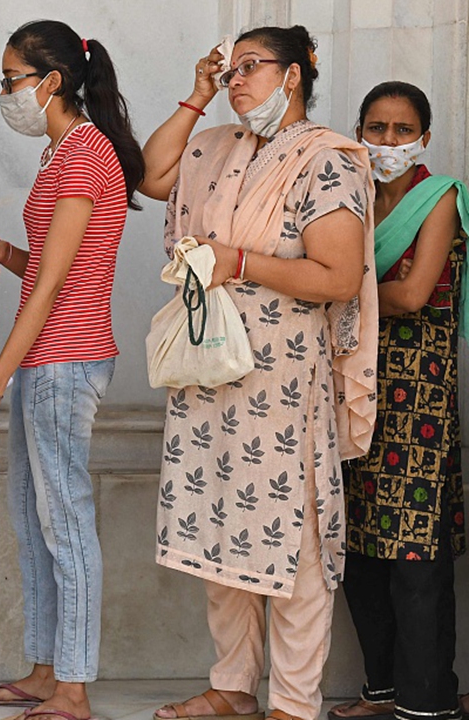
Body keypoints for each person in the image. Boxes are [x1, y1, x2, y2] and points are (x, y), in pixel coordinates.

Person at [139, 26, 376, 720]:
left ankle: (293, 702)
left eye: (251, 67)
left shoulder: (327, 160)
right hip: (209, 363)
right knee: (220, 522)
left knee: (291, 534)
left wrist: (237, 262)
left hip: (281, 376)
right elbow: (151, 176)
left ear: (293, 75)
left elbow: (337, 276)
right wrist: (196, 95)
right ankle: (234, 684)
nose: (236, 80)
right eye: (229, 70)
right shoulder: (215, 145)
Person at [0, 20, 145, 720]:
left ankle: (73, 687)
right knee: (31, 515)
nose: (5, 91)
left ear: (52, 82)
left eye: (12, 79)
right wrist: (10, 252)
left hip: (65, 360)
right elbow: (52, 267)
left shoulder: (85, 152)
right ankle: (46, 670)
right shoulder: (61, 151)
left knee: (64, 522)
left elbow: (53, 288)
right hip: (48, 357)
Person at [328, 82, 466, 720]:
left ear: (424, 138)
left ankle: (426, 701)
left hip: (419, 401)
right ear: (359, 132)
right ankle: (380, 690)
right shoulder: (348, 198)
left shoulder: (440, 199)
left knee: (415, 552)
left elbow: (412, 296)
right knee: (359, 549)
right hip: (352, 389)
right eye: (376, 128)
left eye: (402, 130)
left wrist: (339, 287)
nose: (388, 141)